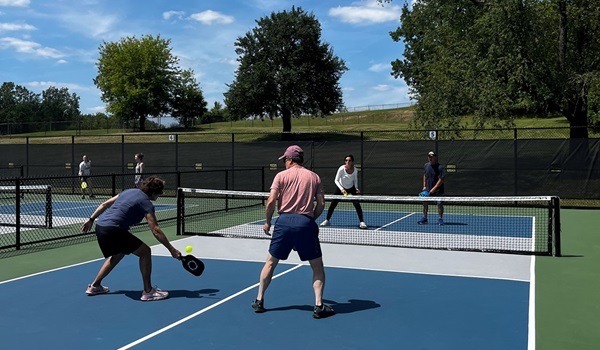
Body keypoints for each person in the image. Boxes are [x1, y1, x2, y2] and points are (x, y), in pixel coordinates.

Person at [252, 145, 335, 319]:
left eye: (285, 160)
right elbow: (321, 204)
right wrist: (311, 219)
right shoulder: (314, 177)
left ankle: (259, 300)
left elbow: (271, 201)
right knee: (317, 267)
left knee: (270, 263)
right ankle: (319, 306)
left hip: (283, 223)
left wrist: (268, 222)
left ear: (290, 160)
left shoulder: (280, 176)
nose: (284, 163)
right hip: (305, 223)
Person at [81, 176, 181, 301]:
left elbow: (105, 204)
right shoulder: (146, 203)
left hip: (101, 226)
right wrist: (171, 249)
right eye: (160, 192)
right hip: (114, 229)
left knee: (118, 254)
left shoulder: (128, 191)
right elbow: (155, 229)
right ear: (154, 192)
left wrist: (91, 219)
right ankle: (148, 291)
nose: (160, 194)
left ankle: (95, 286)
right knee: (145, 252)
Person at [320, 154, 367, 229]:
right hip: (340, 188)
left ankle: (362, 222)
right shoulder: (341, 169)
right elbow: (336, 180)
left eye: (349, 160)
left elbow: (355, 180)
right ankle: (327, 220)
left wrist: (356, 188)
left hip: (351, 189)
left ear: (352, 162)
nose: (347, 162)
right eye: (346, 160)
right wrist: (341, 189)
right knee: (333, 204)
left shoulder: (355, 170)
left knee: (357, 204)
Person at [418, 151, 445, 225]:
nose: (430, 158)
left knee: (439, 204)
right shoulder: (426, 165)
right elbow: (425, 175)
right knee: (425, 203)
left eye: (432, 157)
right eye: (429, 157)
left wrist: (434, 189)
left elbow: (441, 179)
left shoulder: (440, 167)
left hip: (438, 191)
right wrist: (424, 186)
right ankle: (424, 218)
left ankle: (440, 218)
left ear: (435, 158)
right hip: (427, 189)